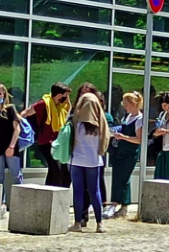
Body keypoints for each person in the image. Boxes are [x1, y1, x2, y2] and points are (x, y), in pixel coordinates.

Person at [67, 93, 110, 233]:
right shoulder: (100, 124)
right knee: (95, 191)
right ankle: (99, 223)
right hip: (94, 161)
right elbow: (106, 139)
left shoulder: (76, 122)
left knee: (78, 191)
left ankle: (77, 223)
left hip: (76, 160)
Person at [21, 82, 72, 187]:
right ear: (59, 95)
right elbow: (25, 113)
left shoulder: (61, 106)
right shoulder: (44, 103)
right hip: (46, 141)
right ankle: (52, 191)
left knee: (57, 171)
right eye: (66, 95)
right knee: (56, 169)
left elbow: (67, 114)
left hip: (58, 141)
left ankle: (48, 191)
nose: (67, 98)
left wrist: (69, 103)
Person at [0, 84, 23, 212]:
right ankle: (1, 203)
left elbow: (17, 129)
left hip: (10, 146)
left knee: (16, 175)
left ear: (4, 95)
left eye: (0, 93)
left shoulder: (10, 109)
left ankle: (19, 203)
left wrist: (11, 146)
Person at [108, 91, 143, 219]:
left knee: (124, 178)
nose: (125, 107)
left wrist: (123, 137)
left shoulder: (139, 119)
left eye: (127, 105)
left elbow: (139, 139)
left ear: (134, 104)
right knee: (117, 177)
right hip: (120, 151)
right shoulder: (127, 117)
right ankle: (120, 204)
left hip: (130, 153)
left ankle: (121, 205)